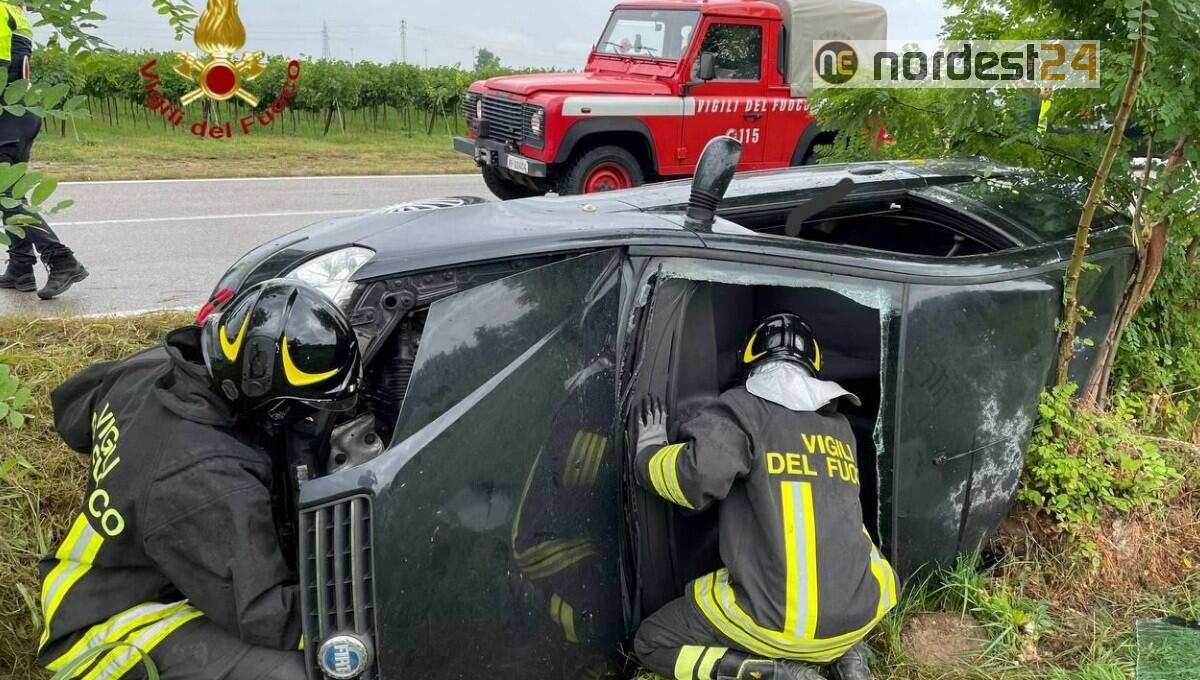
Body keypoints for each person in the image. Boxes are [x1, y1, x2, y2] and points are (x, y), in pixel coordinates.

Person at [37, 279, 361, 680]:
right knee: (305, 670)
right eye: (305, 407)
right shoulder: (206, 478)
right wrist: (365, 615)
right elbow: (266, 612)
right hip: (105, 628)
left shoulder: (156, 369)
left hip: (102, 577)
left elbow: (72, 407)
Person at [632, 313, 897, 680]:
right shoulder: (840, 428)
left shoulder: (742, 409)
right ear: (813, 366)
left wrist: (648, 455)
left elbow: (693, 479)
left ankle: (770, 672)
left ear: (749, 359)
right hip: (860, 612)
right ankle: (848, 656)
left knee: (651, 642)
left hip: (779, 622)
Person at [0, 0, 88, 299]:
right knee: (10, 194)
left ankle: (62, 260)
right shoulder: (14, 12)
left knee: (6, 195)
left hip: (8, 116)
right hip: (20, 114)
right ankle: (21, 266)